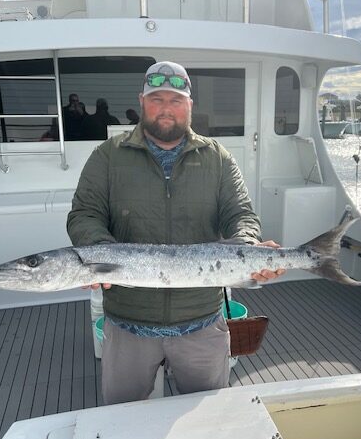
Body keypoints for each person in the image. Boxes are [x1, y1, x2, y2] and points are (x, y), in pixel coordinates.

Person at [67, 61, 284, 405]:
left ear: (189, 106)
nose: (166, 109)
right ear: (142, 101)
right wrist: (100, 252)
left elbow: (241, 215)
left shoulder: (218, 158)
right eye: (157, 100)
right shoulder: (108, 156)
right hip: (127, 325)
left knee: (206, 422)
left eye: (175, 100)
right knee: (122, 424)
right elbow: (84, 214)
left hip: (201, 324)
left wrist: (247, 251)